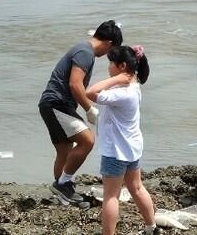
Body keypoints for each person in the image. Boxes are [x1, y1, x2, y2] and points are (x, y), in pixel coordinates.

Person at [40, 20, 123, 205]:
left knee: (64, 150)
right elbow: (75, 84)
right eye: (111, 50)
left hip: (53, 104)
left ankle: (62, 194)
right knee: (87, 140)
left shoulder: (83, 49)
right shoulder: (85, 52)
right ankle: (64, 184)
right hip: (56, 103)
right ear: (109, 43)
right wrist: (89, 108)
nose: (108, 55)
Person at [86, 45, 159, 235]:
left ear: (122, 66)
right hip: (132, 147)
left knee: (111, 196)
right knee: (137, 187)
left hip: (115, 151)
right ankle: (151, 227)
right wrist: (119, 79)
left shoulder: (121, 93)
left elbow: (90, 92)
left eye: (111, 63)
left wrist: (115, 79)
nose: (108, 67)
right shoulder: (134, 87)